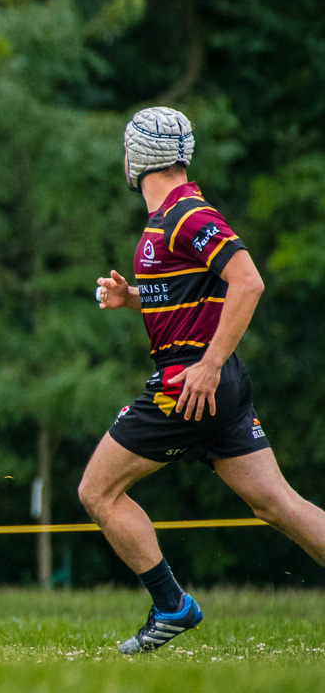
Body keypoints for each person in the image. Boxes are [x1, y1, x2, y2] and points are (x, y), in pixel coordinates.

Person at [79, 107, 325, 654]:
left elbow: (248, 282)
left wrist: (208, 365)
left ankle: (171, 605)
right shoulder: (167, 219)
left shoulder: (187, 215)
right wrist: (132, 298)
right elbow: (194, 292)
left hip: (188, 385)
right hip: (217, 385)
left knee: (97, 491)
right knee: (277, 504)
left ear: (135, 155)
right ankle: (171, 606)